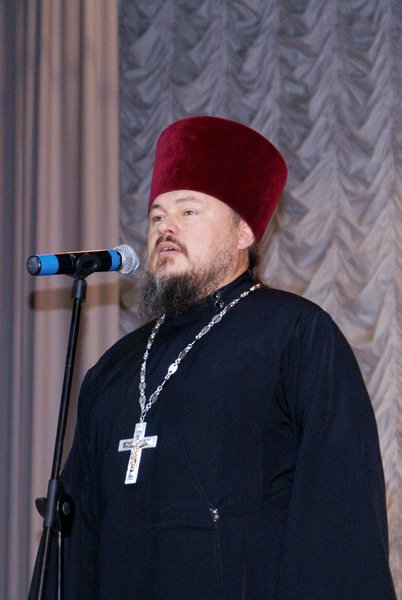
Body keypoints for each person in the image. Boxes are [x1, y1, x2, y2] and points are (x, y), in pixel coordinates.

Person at [31, 116, 397, 599]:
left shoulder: (296, 336)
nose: (165, 228)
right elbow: (77, 544)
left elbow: (339, 517)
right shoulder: (115, 369)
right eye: (157, 217)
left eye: (189, 211)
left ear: (243, 232)